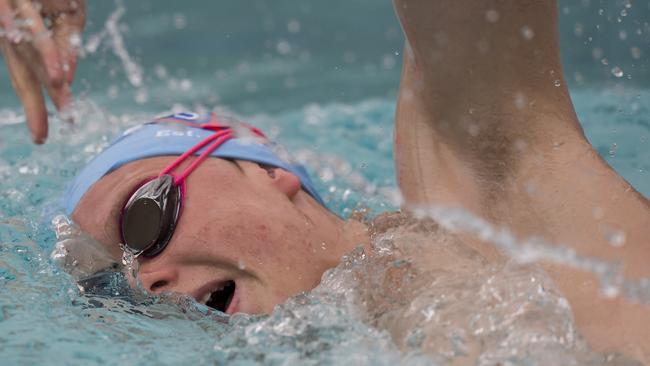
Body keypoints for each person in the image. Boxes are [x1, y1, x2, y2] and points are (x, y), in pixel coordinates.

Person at [2, 0, 649, 362]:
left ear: (261, 167)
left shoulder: (478, 193)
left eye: (142, 219)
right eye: (111, 287)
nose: (144, 279)